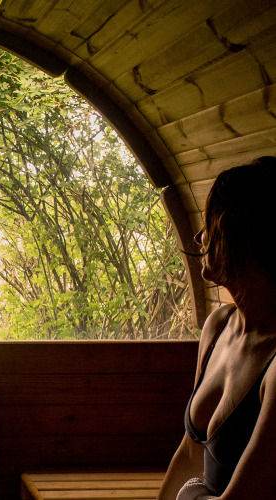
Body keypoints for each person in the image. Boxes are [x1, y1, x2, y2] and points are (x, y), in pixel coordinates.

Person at [158, 156, 276, 500]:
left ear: (241, 236)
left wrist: (189, 496)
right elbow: (191, 453)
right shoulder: (218, 326)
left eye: (210, 223)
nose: (200, 236)